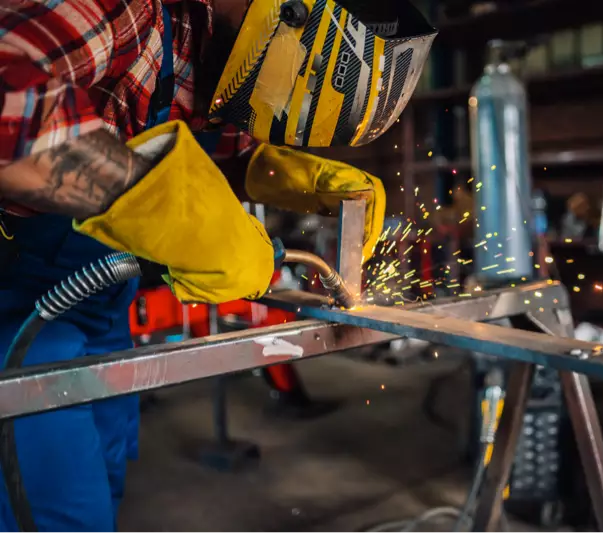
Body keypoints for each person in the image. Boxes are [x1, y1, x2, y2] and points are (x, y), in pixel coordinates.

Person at [0, 0, 436, 530]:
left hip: (96, 310)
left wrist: (263, 168)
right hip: (16, 315)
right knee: (58, 512)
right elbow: (11, 108)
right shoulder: (123, 12)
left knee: (106, 473)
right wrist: (160, 204)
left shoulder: (219, 61)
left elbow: (202, 148)